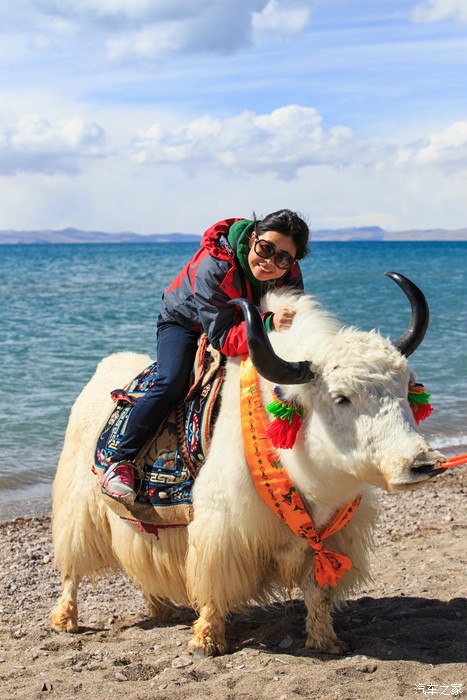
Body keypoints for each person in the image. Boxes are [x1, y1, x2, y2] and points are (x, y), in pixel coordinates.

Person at [100, 209, 310, 503]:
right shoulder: (215, 266)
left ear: (293, 261)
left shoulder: (289, 273)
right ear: (253, 239)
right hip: (185, 322)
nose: (270, 262)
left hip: (246, 319)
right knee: (172, 381)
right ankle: (121, 461)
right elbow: (223, 337)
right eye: (265, 248)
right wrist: (267, 323)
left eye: (283, 258)